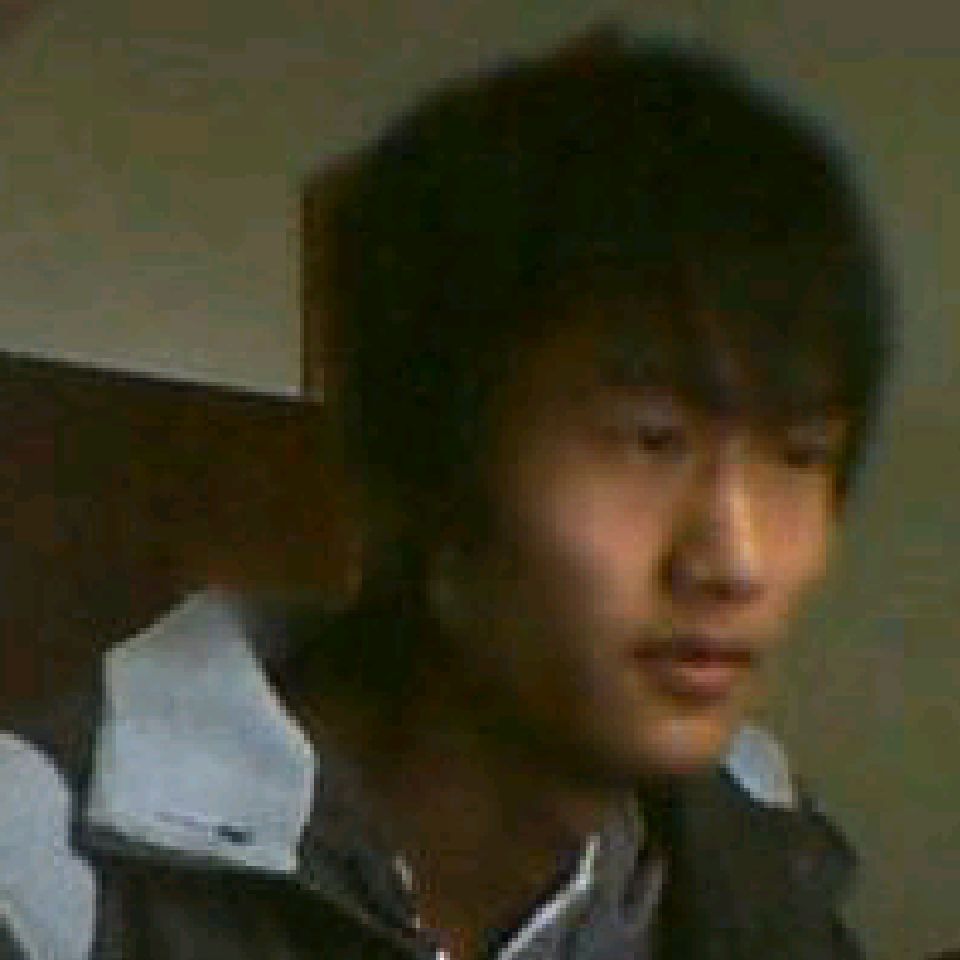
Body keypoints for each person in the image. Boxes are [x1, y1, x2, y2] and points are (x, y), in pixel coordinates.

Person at [0, 25, 895, 960]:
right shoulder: (49, 884)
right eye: (650, 441)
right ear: (418, 455)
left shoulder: (755, 845)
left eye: (801, 455)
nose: (737, 560)